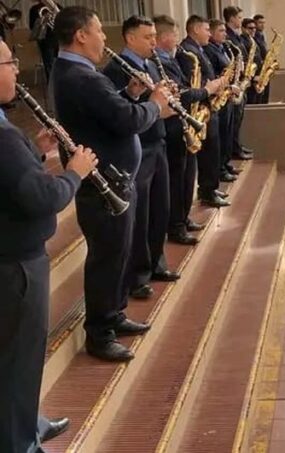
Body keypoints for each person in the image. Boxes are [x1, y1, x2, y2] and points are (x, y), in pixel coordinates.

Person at [50, 6, 172, 362]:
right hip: (104, 186)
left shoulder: (78, 72)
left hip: (115, 181)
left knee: (118, 253)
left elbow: (112, 113)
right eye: (99, 30)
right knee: (107, 258)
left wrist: (132, 95)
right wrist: (155, 105)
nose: (105, 37)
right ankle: (100, 334)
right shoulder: (81, 77)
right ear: (81, 35)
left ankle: (114, 313)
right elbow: (126, 120)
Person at [0, 36, 96, 452]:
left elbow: (11, 187)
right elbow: (42, 198)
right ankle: (22, 441)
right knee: (18, 363)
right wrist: (74, 172)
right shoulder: (3, 139)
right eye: (8, 62)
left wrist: (37, 155)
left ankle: (25, 424)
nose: (16, 69)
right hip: (16, 268)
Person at [102, 15, 181, 301]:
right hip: (140, 147)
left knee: (161, 208)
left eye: (153, 37)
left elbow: (155, 106)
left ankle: (157, 262)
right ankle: (138, 276)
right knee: (143, 214)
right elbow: (122, 112)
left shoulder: (150, 64)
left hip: (158, 141)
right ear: (130, 38)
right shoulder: (116, 69)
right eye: (147, 37)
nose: (153, 41)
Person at [153, 14, 223, 245]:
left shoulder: (171, 58)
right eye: (174, 34)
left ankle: (183, 217)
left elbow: (183, 86)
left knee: (187, 176)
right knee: (176, 178)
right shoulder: (160, 62)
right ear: (165, 37)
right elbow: (181, 93)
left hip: (185, 125)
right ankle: (176, 225)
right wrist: (206, 91)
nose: (177, 38)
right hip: (172, 127)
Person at [178, 15, 230, 207]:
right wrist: (211, 87)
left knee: (213, 151)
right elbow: (192, 81)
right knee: (208, 153)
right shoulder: (188, 51)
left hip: (207, 106)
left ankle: (211, 188)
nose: (210, 33)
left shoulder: (198, 49)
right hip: (200, 108)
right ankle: (207, 191)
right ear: (196, 30)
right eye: (207, 29)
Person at [204, 18, 240, 183]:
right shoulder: (210, 50)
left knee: (227, 133)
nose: (225, 34)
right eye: (221, 31)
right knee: (220, 136)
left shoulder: (223, 47)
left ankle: (224, 164)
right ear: (211, 32)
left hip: (226, 94)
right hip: (218, 97)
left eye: (225, 31)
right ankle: (219, 169)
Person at [223, 6, 254, 161]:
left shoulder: (237, 36)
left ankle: (237, 146)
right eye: (240, 18)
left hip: (241, 80)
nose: (241, 20)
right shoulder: (227, 36)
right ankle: (234, 150)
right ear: (232, 18)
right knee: (234, 121)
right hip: (234, 82)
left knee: (238, 119)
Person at [28, 0, 60, 82]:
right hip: (46, 42)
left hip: (59, 40)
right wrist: (43, 21)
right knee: (49, 65)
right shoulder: (34, 9)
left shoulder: (58, 6)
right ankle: (52, 86)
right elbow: (33, 27)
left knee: (60, 64)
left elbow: (64, 22)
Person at [252, 13, 269, 104]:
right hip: (259, 70)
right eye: (260, 23)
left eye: (264, 23)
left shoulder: (262, 36)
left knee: (265, 96)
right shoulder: (254, 37)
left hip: (264, 68)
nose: (262, 25)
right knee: (260, 98)